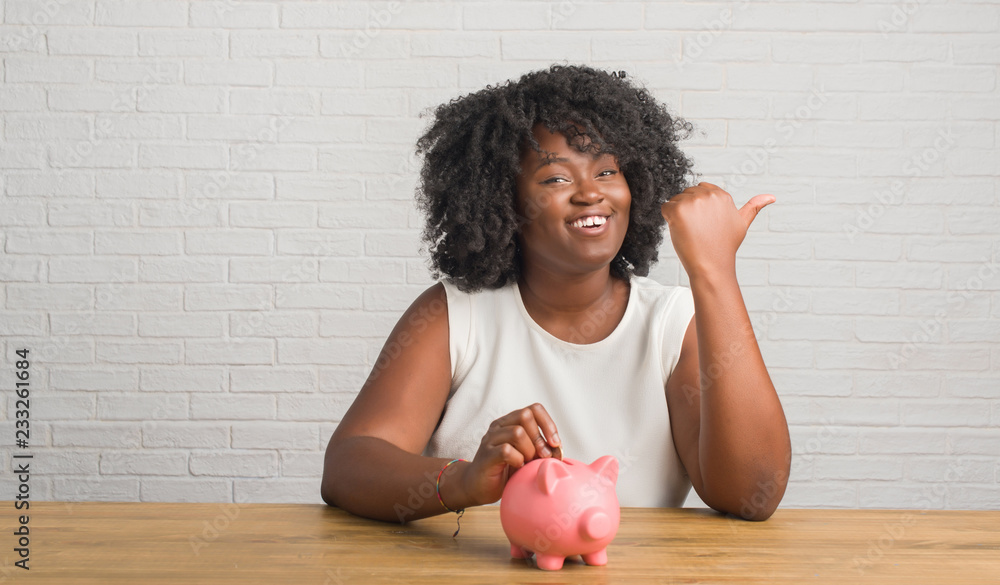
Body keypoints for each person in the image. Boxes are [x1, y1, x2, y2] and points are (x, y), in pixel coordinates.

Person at [321, 63, 791, 526]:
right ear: (504, 203)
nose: (591, 194)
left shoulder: (671, 322)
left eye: (607, 171)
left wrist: (714, 271)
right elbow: (348, 464)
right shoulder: (455, 313)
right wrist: (464, 482)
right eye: (556, 179)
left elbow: (751, 494)